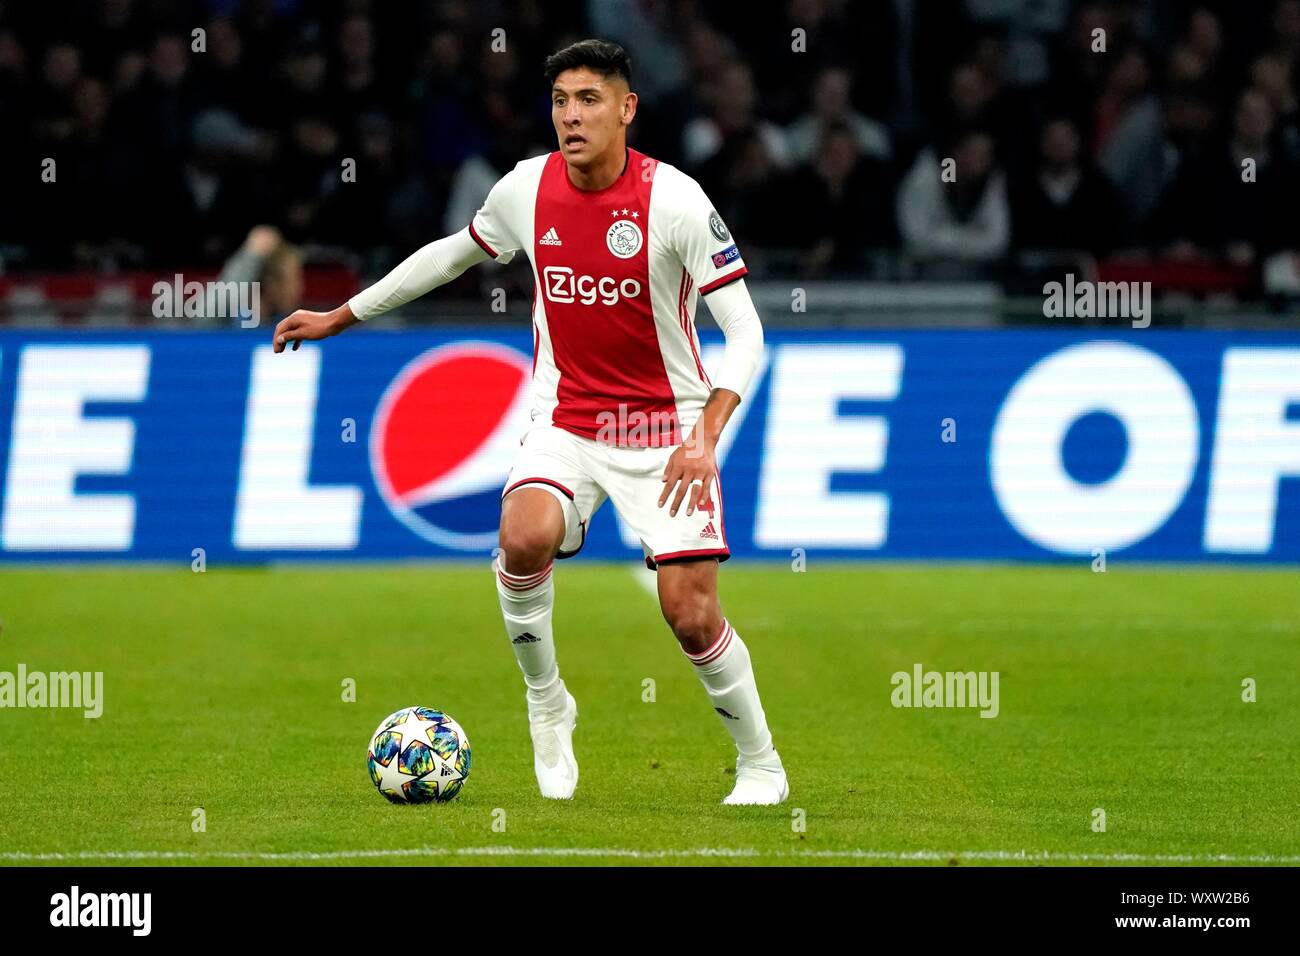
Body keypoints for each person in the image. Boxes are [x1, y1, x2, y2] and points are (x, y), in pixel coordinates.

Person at [270, 39, 785, 806]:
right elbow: (449, 256)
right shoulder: (525, 189)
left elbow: (747, 335)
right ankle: (548, 703)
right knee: (523, 534)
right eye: (560, 101)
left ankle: (761, 764)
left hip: (665, 429)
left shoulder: (675, 201)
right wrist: (343, 315)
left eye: (588, 100)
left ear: (626, 109)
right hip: (567, 418)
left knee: (689, 613)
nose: (571, 116)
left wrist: (705, 436)